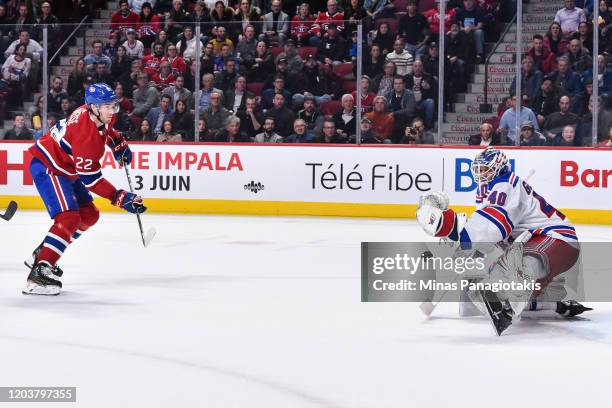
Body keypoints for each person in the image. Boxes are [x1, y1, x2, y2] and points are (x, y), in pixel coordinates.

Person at [24, 83, 146, 296]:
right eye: (107, 106)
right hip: (49, 166)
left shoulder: (100, 115)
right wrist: (118, 197)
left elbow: (106, 131)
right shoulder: (86, 136)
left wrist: (116, 141)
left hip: (66, 167)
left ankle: (44, 252)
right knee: (69, 218)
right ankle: (39, 273)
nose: (112, 110)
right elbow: (90, 179)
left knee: (89, 215)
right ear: (93, 107)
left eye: (113, 105)